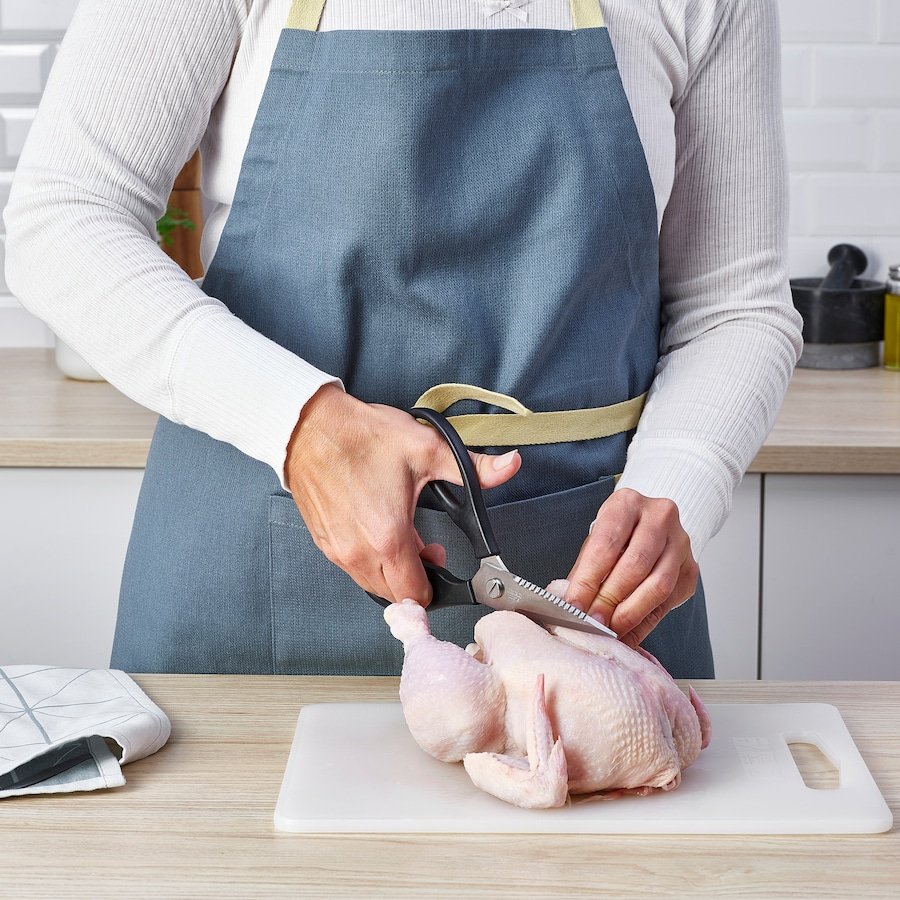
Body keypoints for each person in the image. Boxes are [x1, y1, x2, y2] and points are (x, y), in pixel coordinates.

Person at [3, 0, 802, 678]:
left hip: (585, 596)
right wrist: (305, 425)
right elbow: (61, 218)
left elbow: (734, 303)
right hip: (254, 573)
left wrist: (685, 476)